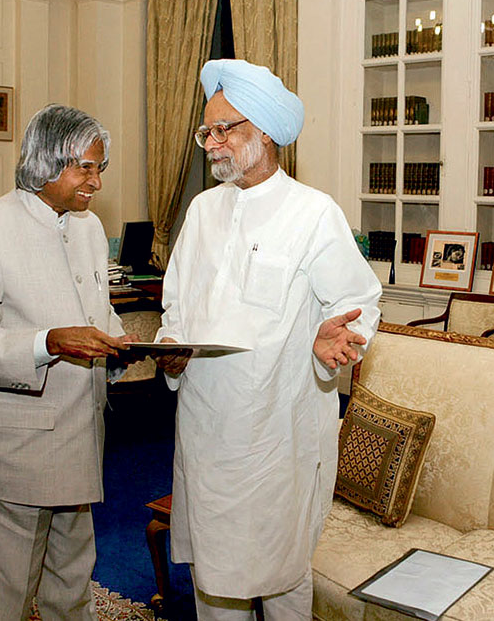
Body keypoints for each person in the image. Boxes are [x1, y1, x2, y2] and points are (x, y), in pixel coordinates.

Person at [154, 59, 382, 619]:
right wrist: (171, 350)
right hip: (208, 432)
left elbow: (358, 302)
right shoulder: (202, 211)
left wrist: (336, 342)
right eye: (206, 131)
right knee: (215, 578)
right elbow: (176, 307)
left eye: (224, 129)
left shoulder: (313, 213)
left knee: (283, 574)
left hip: (279, 432)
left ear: (266, 133)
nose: (211, 143)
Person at [0, 104, 138, 621]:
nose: (95, 181)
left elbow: (98, 311)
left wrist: (121, 349)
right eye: (84, 167)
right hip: (11, 455)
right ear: (46, 162)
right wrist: (47, 343)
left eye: (100, 168)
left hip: (79, 445)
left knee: (71, 590)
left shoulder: (89, 228)